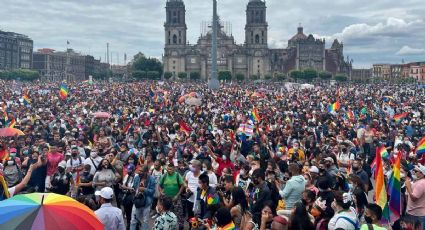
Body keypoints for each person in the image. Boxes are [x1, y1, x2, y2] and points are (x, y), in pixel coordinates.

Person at [158, 163, 185, 229]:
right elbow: (159, 185)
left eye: (170, 169)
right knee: (167, 214)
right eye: (168, 169)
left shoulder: (177, 175)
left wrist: (177, 195)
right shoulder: (164, 176)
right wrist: (161, 192)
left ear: (174, 169)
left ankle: (180, 227)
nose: (168, 170)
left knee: (179, 215)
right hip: (166, 199)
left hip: (176, 198)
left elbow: (182, 185)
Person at [130, 165, 156, 230]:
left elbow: (152, 191)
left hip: (146, 203)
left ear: (146, 172)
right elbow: (134, 187)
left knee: (145, 221)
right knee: (133, 220)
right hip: (137, 201)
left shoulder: (152, 179)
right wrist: (132, 190)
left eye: (141, 171)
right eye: (139, 171)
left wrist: (144, 189)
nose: (139, 172)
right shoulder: (137, 177)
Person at [405, 164, 425, 229]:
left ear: (422, 174)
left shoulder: (422, 183)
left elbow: (414, 198)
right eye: (413, 170)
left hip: (416, 214)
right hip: (413, 212)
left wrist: (408, 186)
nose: (413, 172)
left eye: (416, 171)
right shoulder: (419, 181)